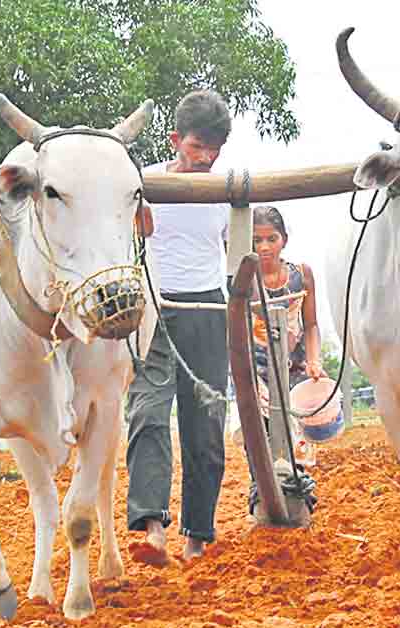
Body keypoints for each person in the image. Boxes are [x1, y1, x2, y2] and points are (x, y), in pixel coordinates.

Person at [126, 89, 232, 564]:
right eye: (196, 148)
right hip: (154, 307)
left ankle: (196, 536)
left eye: (214, 149)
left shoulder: (229, 187)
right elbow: (129, 231)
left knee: (205, 423)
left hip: (208, 309)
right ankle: (152, 529)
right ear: (175, 140)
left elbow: (237, 248)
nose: (206, 157)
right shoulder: (144, 182)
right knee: (147, 413)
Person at [246, 205, 325, 515]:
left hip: (294, 367)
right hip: (257, 369)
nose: (264, 247)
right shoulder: (244, 281)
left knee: (297, 438)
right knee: (260, 439)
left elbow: (312, 325)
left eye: (271, 238)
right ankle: (262, 501)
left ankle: (299, 498)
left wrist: (314, 359)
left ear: (284, 240)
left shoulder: (300, 276)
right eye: (256, 241)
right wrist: (248, 378)